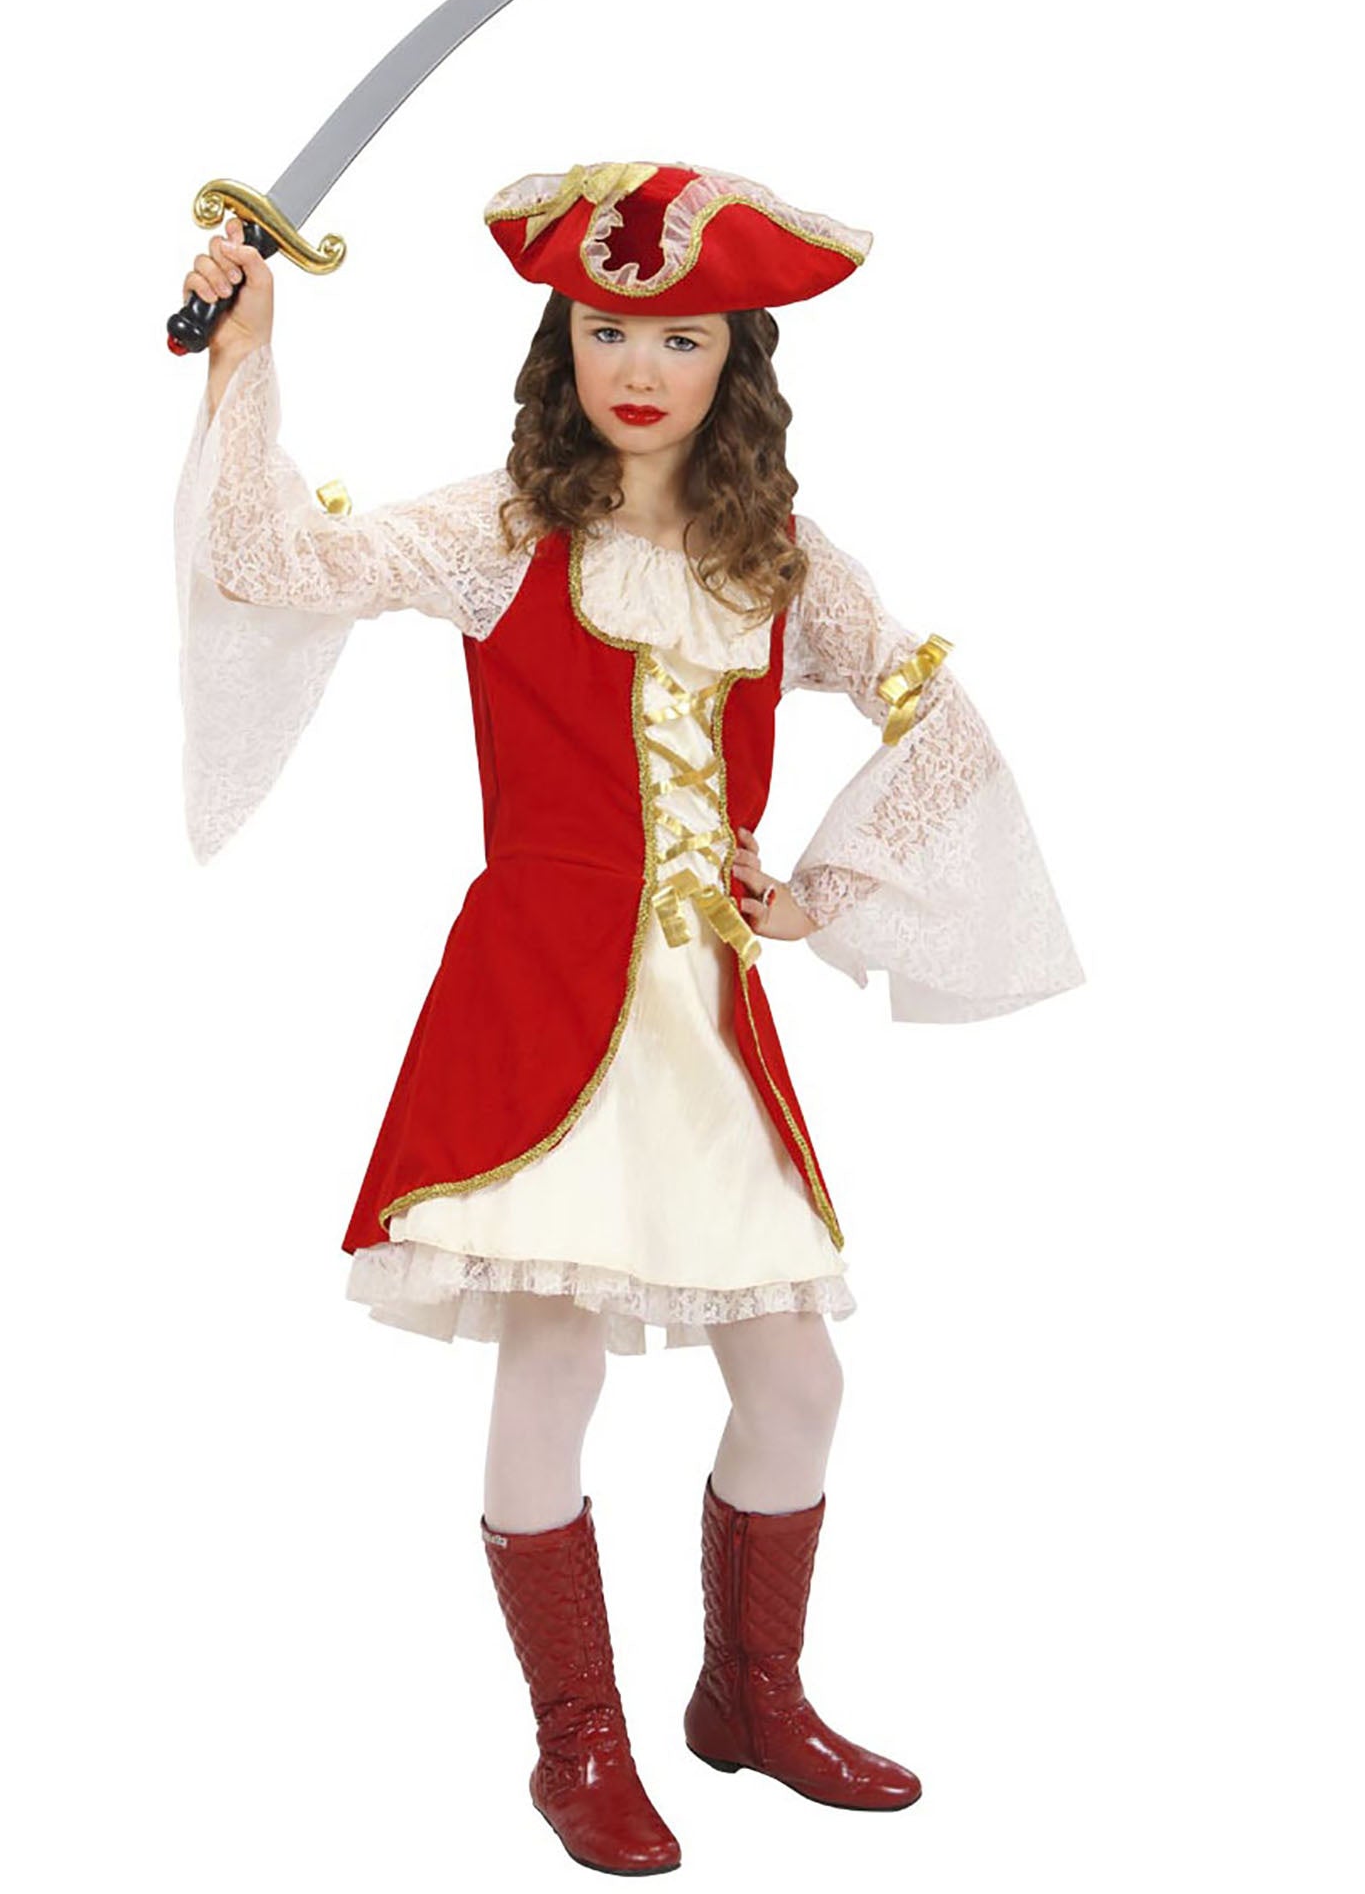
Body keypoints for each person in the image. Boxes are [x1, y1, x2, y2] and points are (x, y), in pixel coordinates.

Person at [173, 160, 1084, 1875]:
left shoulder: (779, 562)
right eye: (606, 330)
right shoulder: (502, 531)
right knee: (554, 1355)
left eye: (679, 337)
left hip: (706, 1018)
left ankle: (750, 1695)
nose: (639, 368)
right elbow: (267, 557)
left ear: (736, 356)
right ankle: (577, 1743)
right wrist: (248, 350)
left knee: (797, 1380)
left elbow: (940, 721)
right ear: (562, 343)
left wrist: (819, 891)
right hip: (539, 995)